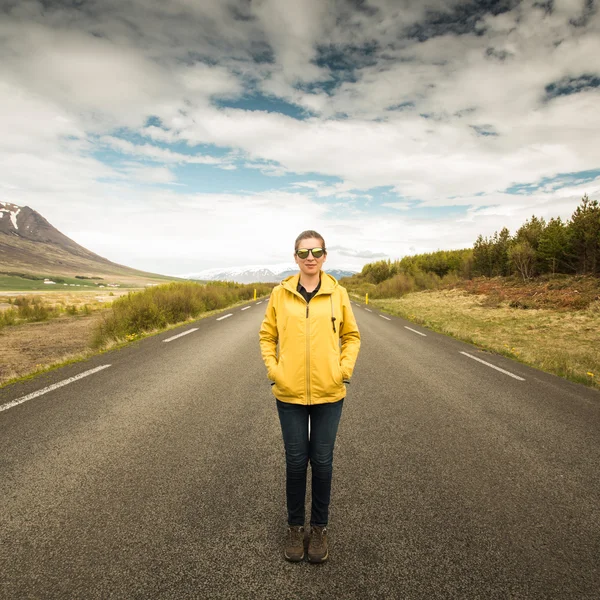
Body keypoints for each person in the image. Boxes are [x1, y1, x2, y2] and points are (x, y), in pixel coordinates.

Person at [259, 230, 361, 563]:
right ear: (295, 257)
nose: (310, 257)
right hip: (288, 393)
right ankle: (294, 527)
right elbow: (266, 336)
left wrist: (342, 372)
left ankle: (318, 530)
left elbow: (351, 337)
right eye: (304, 252)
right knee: (295, 461)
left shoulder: (338, 294)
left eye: (316, 251)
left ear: (325, 256)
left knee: (322, 462)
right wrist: (275, 371)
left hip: (329, 393)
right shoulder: (280, 294)